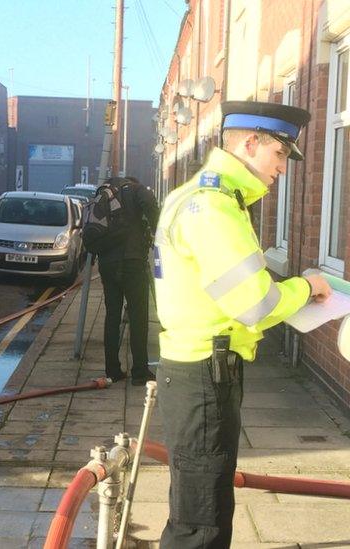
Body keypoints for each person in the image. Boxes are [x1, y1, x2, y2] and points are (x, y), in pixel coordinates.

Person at [153, 100, 332, 548]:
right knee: (203, 523)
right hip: (205, 375)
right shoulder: (215, 209)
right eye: (279, 154)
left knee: (196, 508)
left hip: (192, 369)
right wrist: (307, 288)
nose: (283, 169)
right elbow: (255, 304)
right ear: (250, 143)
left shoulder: (194, 196)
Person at [97, 175, 159, 386]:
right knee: (138, 316)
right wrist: (156, 229)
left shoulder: (105, 192)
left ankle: (112, 370)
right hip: (132, 262)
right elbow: (150, 204)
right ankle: (140, 371)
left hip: (107, 263)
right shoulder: (136, 189)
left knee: (112, 316)